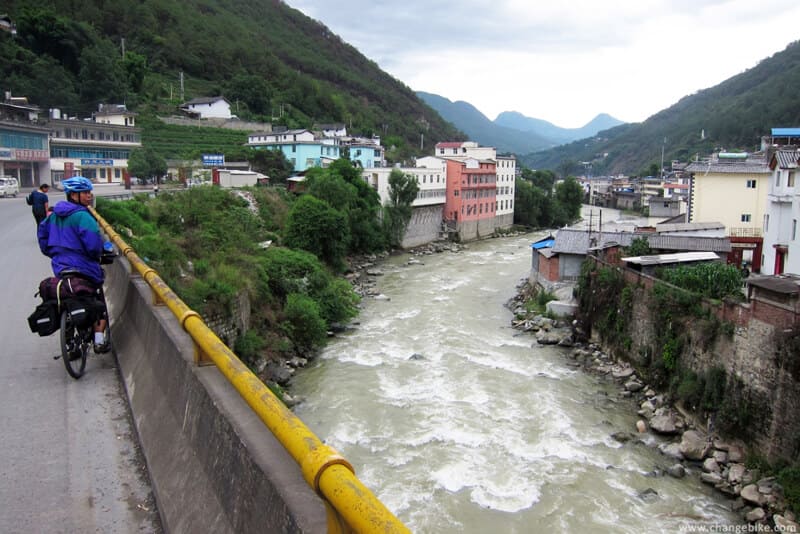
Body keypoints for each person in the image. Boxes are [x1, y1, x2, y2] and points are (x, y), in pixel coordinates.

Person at [37, 176, 110, 353]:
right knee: (97, 298)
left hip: (60, 267)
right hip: (85, 267)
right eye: (85, 193)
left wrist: (55, 253)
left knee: (65, 299)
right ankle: (99, 340)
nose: (89, 196)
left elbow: (43, 239)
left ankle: (70, 341)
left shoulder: (52, 216)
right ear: (73, 195)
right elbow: (93, 246)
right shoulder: (83, 217)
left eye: (89, 192)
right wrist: (101, 253)